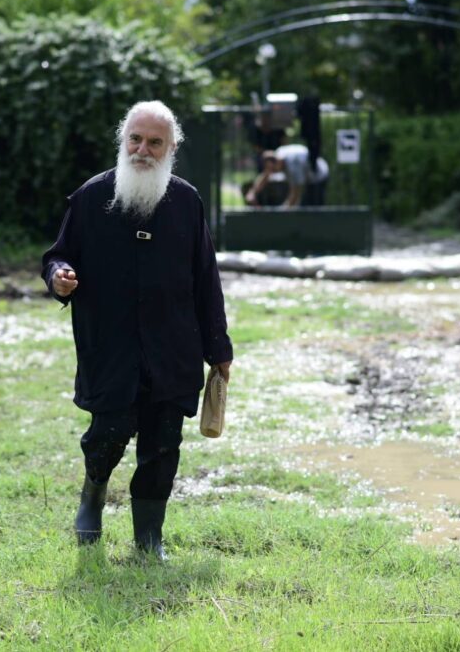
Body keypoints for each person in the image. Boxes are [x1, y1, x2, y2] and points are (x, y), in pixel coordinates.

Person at [42, 100, 234, 560]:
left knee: (163, 444)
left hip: (174, 346)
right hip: (110, 345)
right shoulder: (91, 196)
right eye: (135, 139)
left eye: (154, 142)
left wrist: (219, 349)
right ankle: (92, 496)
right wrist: (59, 277)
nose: (142, 150)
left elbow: (206, 279)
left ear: (171, 148)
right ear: (122, 139)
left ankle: (149, 537)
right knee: (108, 432)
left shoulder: (186, 201)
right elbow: (57, 255)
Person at [244, 144, 329, 208]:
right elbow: (266, 175)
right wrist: (253, 192)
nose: (273, 172)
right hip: (305, 175)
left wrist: (283, 211)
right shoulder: (279, 153)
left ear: (277, 162)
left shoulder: (293, 166)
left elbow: (296, 193)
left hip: (319, 177)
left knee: (312, 208)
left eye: (273, 170)